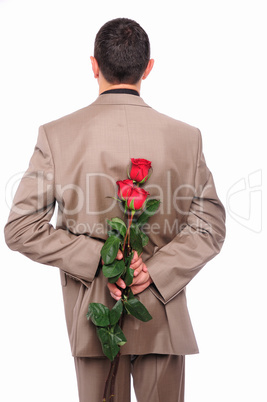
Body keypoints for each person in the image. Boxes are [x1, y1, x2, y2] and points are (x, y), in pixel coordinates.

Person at [4, 18, 226, 402]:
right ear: (148, 67)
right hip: (162, 319)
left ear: (94, 65)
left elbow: (20, 227)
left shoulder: (57, 136)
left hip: (94, 319)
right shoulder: (186, 138)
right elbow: (210, 227)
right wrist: (153, 270)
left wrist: (100, 258)